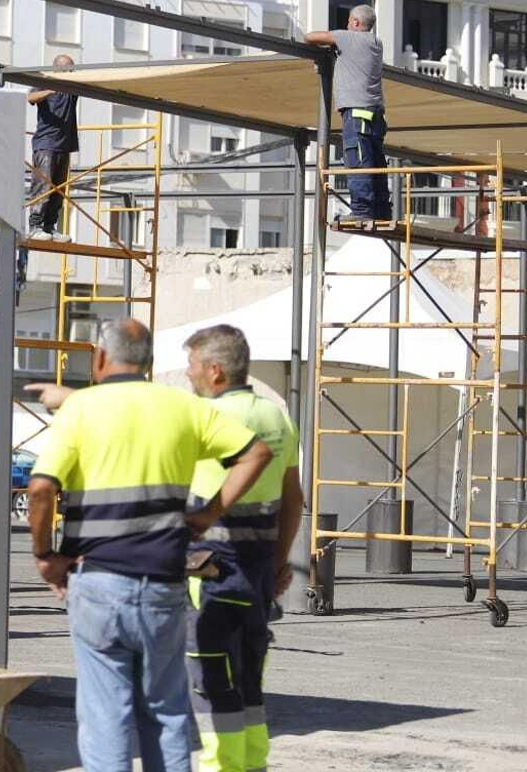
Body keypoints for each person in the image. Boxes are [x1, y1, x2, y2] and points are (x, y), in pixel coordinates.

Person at [24, 319, 273, 772]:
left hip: (98, 582)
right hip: (162, 584)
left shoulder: (81, 411)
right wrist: (208, 513)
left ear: (100, 358)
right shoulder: (182, 408)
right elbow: (256, 453)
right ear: (150, 363)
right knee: (166, 709)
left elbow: (40, 488)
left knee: (106, 716)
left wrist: (45, 557)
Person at [181, 326, 303, 772]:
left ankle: (222, 767)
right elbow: (295, 499)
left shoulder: (207, 419)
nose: (188, 374)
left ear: (215, 371)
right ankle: (252, 765)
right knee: (249, 675)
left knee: (211, 678)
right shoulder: (277, 417)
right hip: (258, 570)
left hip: (210, 568)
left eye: (192, 365)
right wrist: (277, 561)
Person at [306, 4, 391, 224]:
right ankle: (381, 209)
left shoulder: (348, 38)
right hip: (375, 114)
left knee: (358, 159)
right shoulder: (375, 42)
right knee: (375, 161)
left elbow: (310, 37)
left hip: (357, 113)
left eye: (349, 21)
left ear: (355, 23)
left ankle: (361, 209)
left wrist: (334, 41)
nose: (346, 25)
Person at [26, 53, 79, 240]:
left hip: (64, 145)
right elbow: (30, 98)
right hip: (46, 144)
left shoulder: (73, 86)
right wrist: (50, 90)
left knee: (59, 188)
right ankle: (35, 226)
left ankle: (49, 226)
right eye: (69, 69)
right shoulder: (46, 81)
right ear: (58, 68)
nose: (72, 72)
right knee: (43, 185)